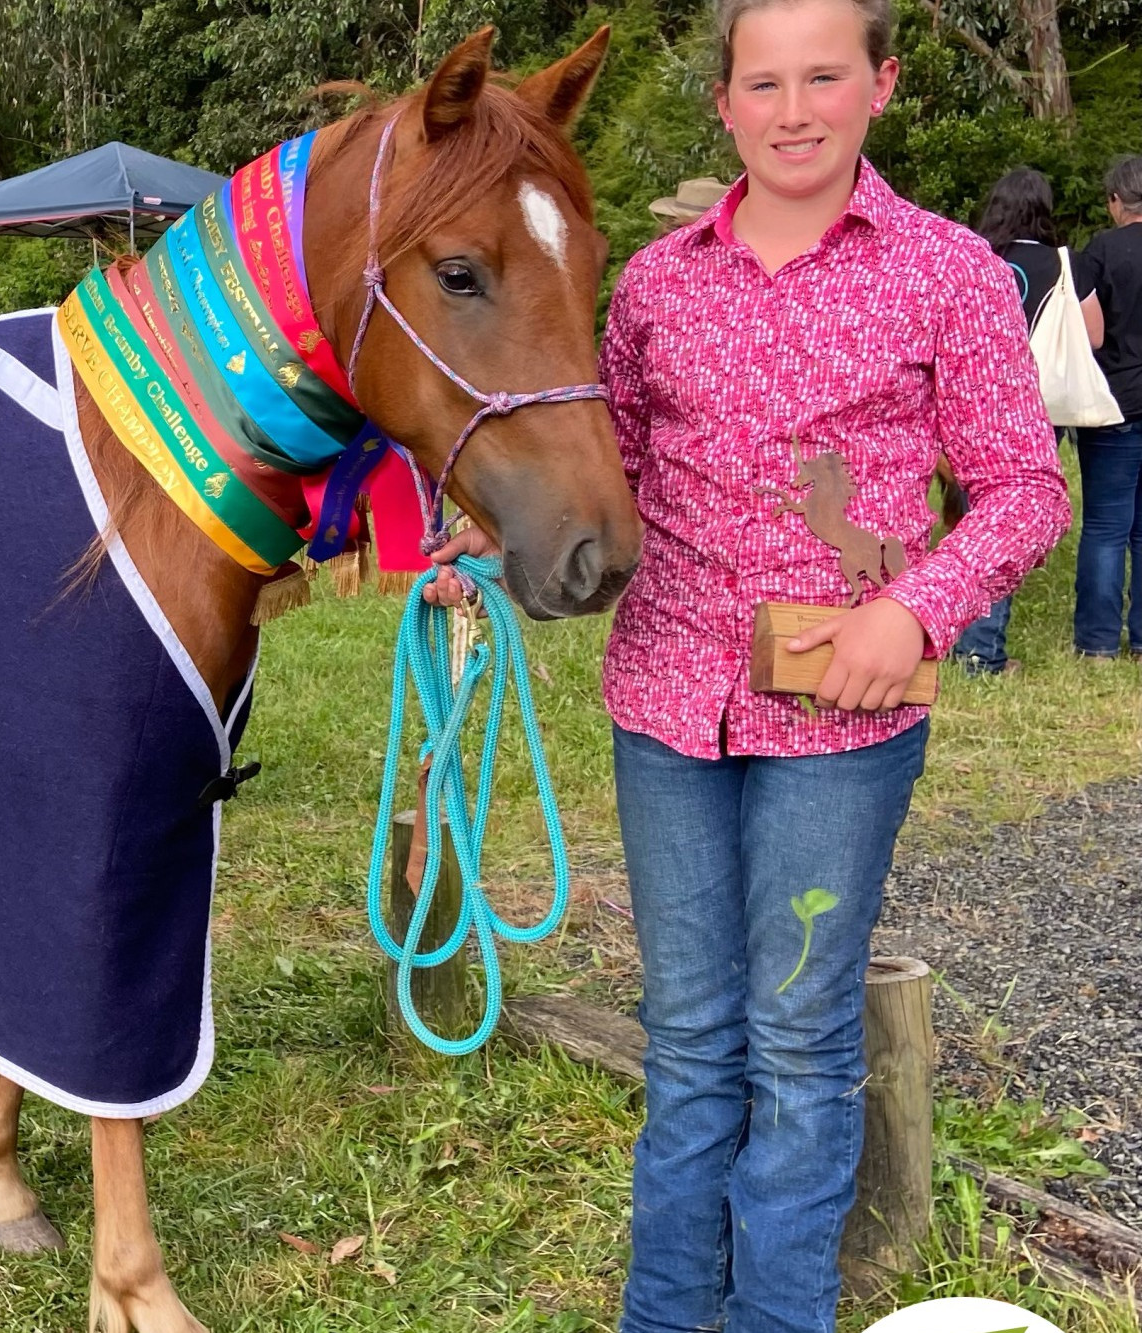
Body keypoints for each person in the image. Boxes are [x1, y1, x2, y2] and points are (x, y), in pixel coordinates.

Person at [427, 0, 1070, 1327]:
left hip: (844, 729)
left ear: (879, 86)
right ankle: (666, 1312)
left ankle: (778, 1313)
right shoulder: (658, 284)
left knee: (796, 1043)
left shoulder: (946, 273)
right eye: (764, 83)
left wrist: (920, 607)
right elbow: (620, 479)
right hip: (669, 707)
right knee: (694, 1043)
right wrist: (492, 547)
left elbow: (1023, 490)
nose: (794, 109)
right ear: (724, 104)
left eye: (823, 77)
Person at [949, 166, 1069, 673]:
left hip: (967, 399)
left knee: (966, 510)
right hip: (1039, 401)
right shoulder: (1061, 265)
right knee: (1007, 514)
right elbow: (1093, 334)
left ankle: (957, 629)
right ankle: (981, 646)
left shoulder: (975, 257)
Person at [1072, 155, 1142, 658]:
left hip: (1116, 403)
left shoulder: (1100, 250)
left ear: (1115, 201)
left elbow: (1085, 332)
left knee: (1104, 527)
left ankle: (1098, 642)